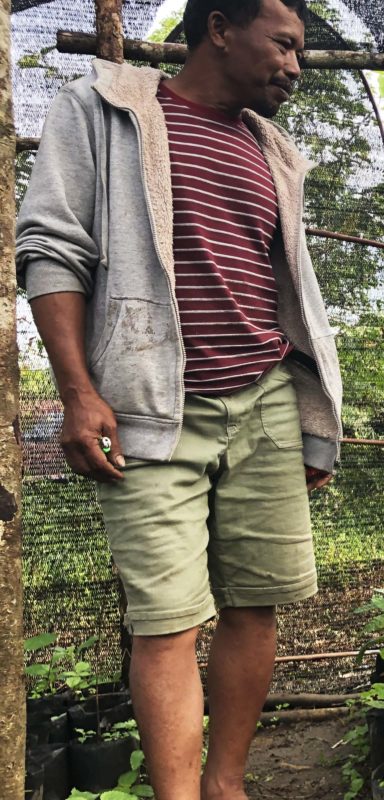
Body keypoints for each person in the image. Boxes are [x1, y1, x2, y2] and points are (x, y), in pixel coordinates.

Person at [16, 0, 343, 797]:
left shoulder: (274, 150)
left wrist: (309, 419)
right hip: (150, 404)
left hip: (264, 401)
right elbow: (52, 248)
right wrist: (77, 392)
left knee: (257, 603)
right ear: (220, 28)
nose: (296, 67)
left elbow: (285, 293)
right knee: (166, 621)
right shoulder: (104, 109)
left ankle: (226, 783)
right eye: (286, 46)